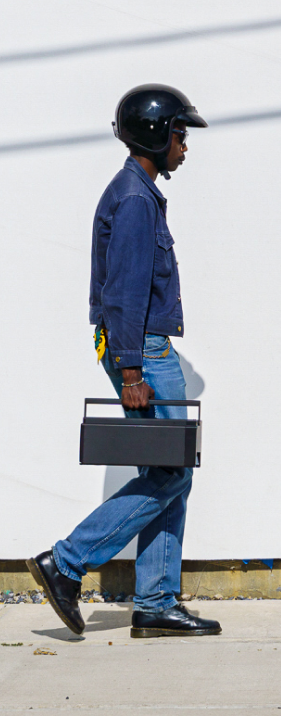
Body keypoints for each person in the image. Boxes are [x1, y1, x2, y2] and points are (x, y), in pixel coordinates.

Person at [26, 84, 221, 639]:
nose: (186, 146)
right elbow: (124, 293)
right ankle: (66, 564)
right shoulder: (135, 200)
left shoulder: (138, 191)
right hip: (143, 351)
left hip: (144, 349)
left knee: (166, 472)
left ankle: (155, 602)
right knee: (170, 471)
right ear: (157, 134)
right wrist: (132, 371)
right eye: (181, 135)